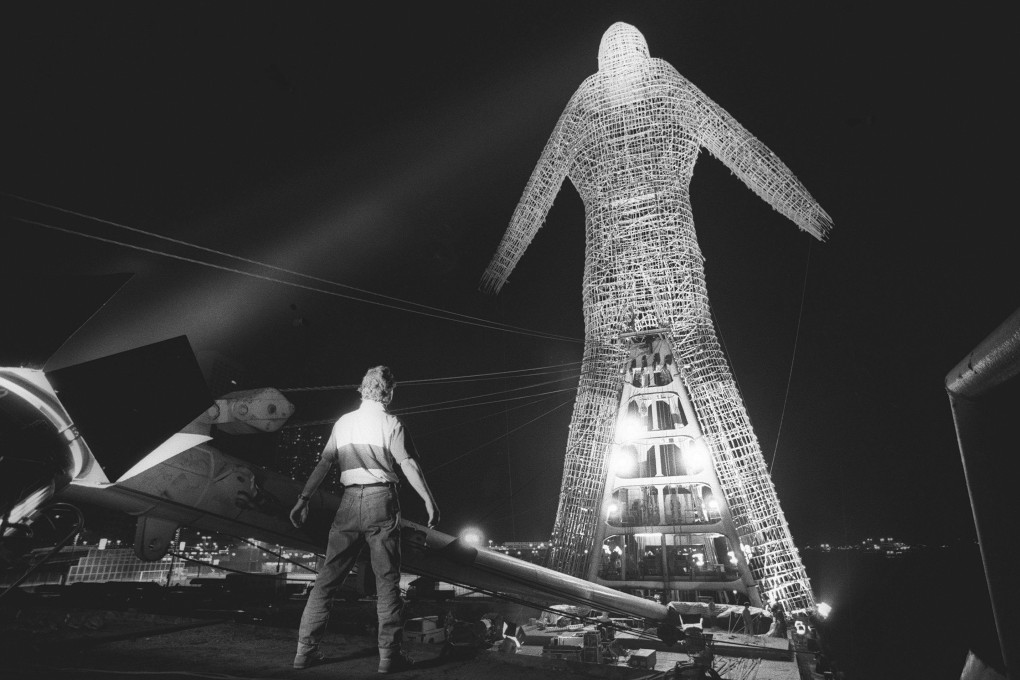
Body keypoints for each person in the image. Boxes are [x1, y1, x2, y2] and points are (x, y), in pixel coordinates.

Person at [289, 366, 440, 674]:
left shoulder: (344, 423)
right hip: (381, 500)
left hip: (347, 502)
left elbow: (324, 463)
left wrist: (302, 499)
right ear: (389, 392)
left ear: (362, 389)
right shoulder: (392, 423)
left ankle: (304, 652)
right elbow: (408, 464)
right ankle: (388, 657)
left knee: (327, 580)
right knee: (386, 582)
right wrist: (429, 500)